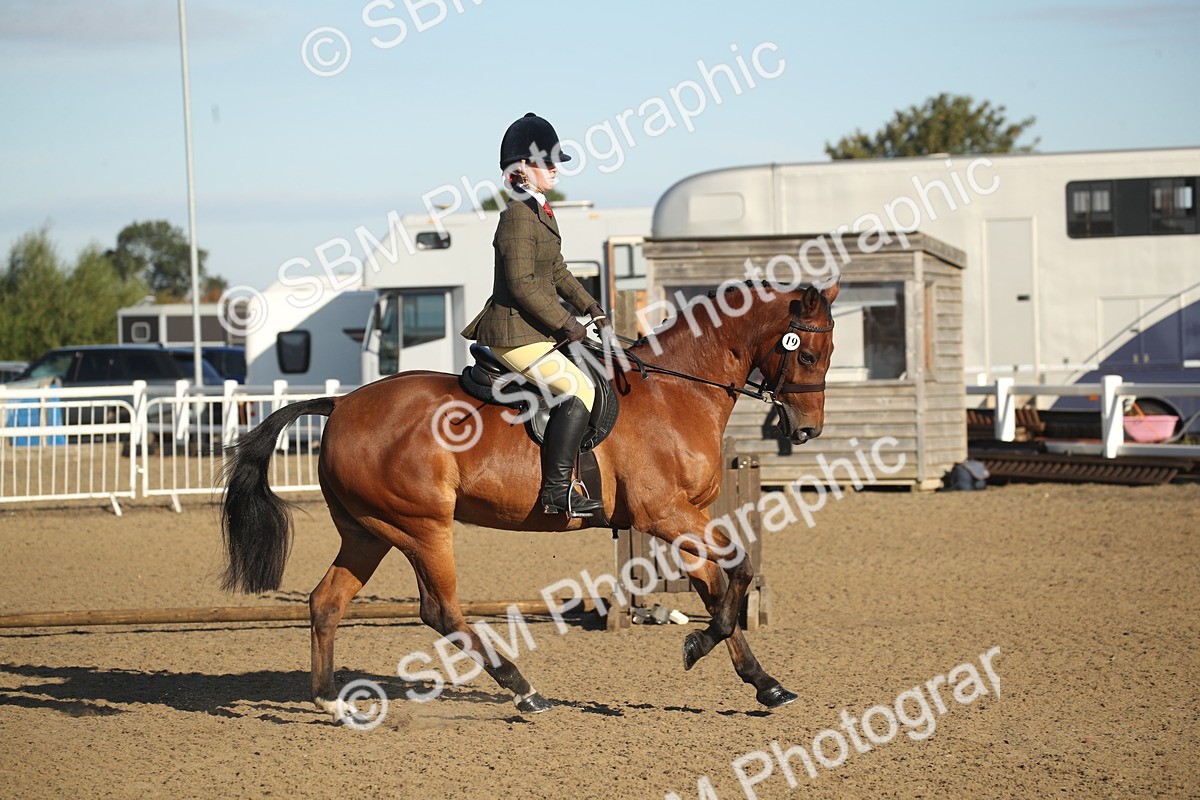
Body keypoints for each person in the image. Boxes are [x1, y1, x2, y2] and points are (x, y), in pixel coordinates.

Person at [461, 113, 609, 518]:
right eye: (547, 161)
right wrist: (567, 324)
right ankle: (556, 491)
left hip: (535, 332)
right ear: (522, 168)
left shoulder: (539, 211)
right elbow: (523, 283)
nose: (555, 168)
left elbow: (556, 270)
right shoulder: (516, 216)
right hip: (513, 334)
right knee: (579, 389)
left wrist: (592, 309)